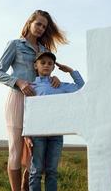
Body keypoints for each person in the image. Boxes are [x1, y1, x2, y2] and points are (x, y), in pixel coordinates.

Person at [0, 10, 68, 191]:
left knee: (36, 152)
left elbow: (46, 73)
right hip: (17, 101)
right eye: (39, 24)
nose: (41, 28)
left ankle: (26, 187)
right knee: (16, 151)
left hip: (38, 105)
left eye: (44, 26)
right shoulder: (15, 45)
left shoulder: (44, 51)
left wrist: (54, 79)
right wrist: (18, 82)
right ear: (30, 23)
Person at [27, 51, 85, 191]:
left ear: (53, 67)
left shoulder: (60, 85)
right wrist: (27, 134)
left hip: (56, 135)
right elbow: (28, 112)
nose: (46, 65)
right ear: (35, 65)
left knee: (52, 171)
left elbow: (82, 87)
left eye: (50, 63)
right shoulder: (30, 87)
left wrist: (70, 71)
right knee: (36, 171)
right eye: (43, 63)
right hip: (37, 135)